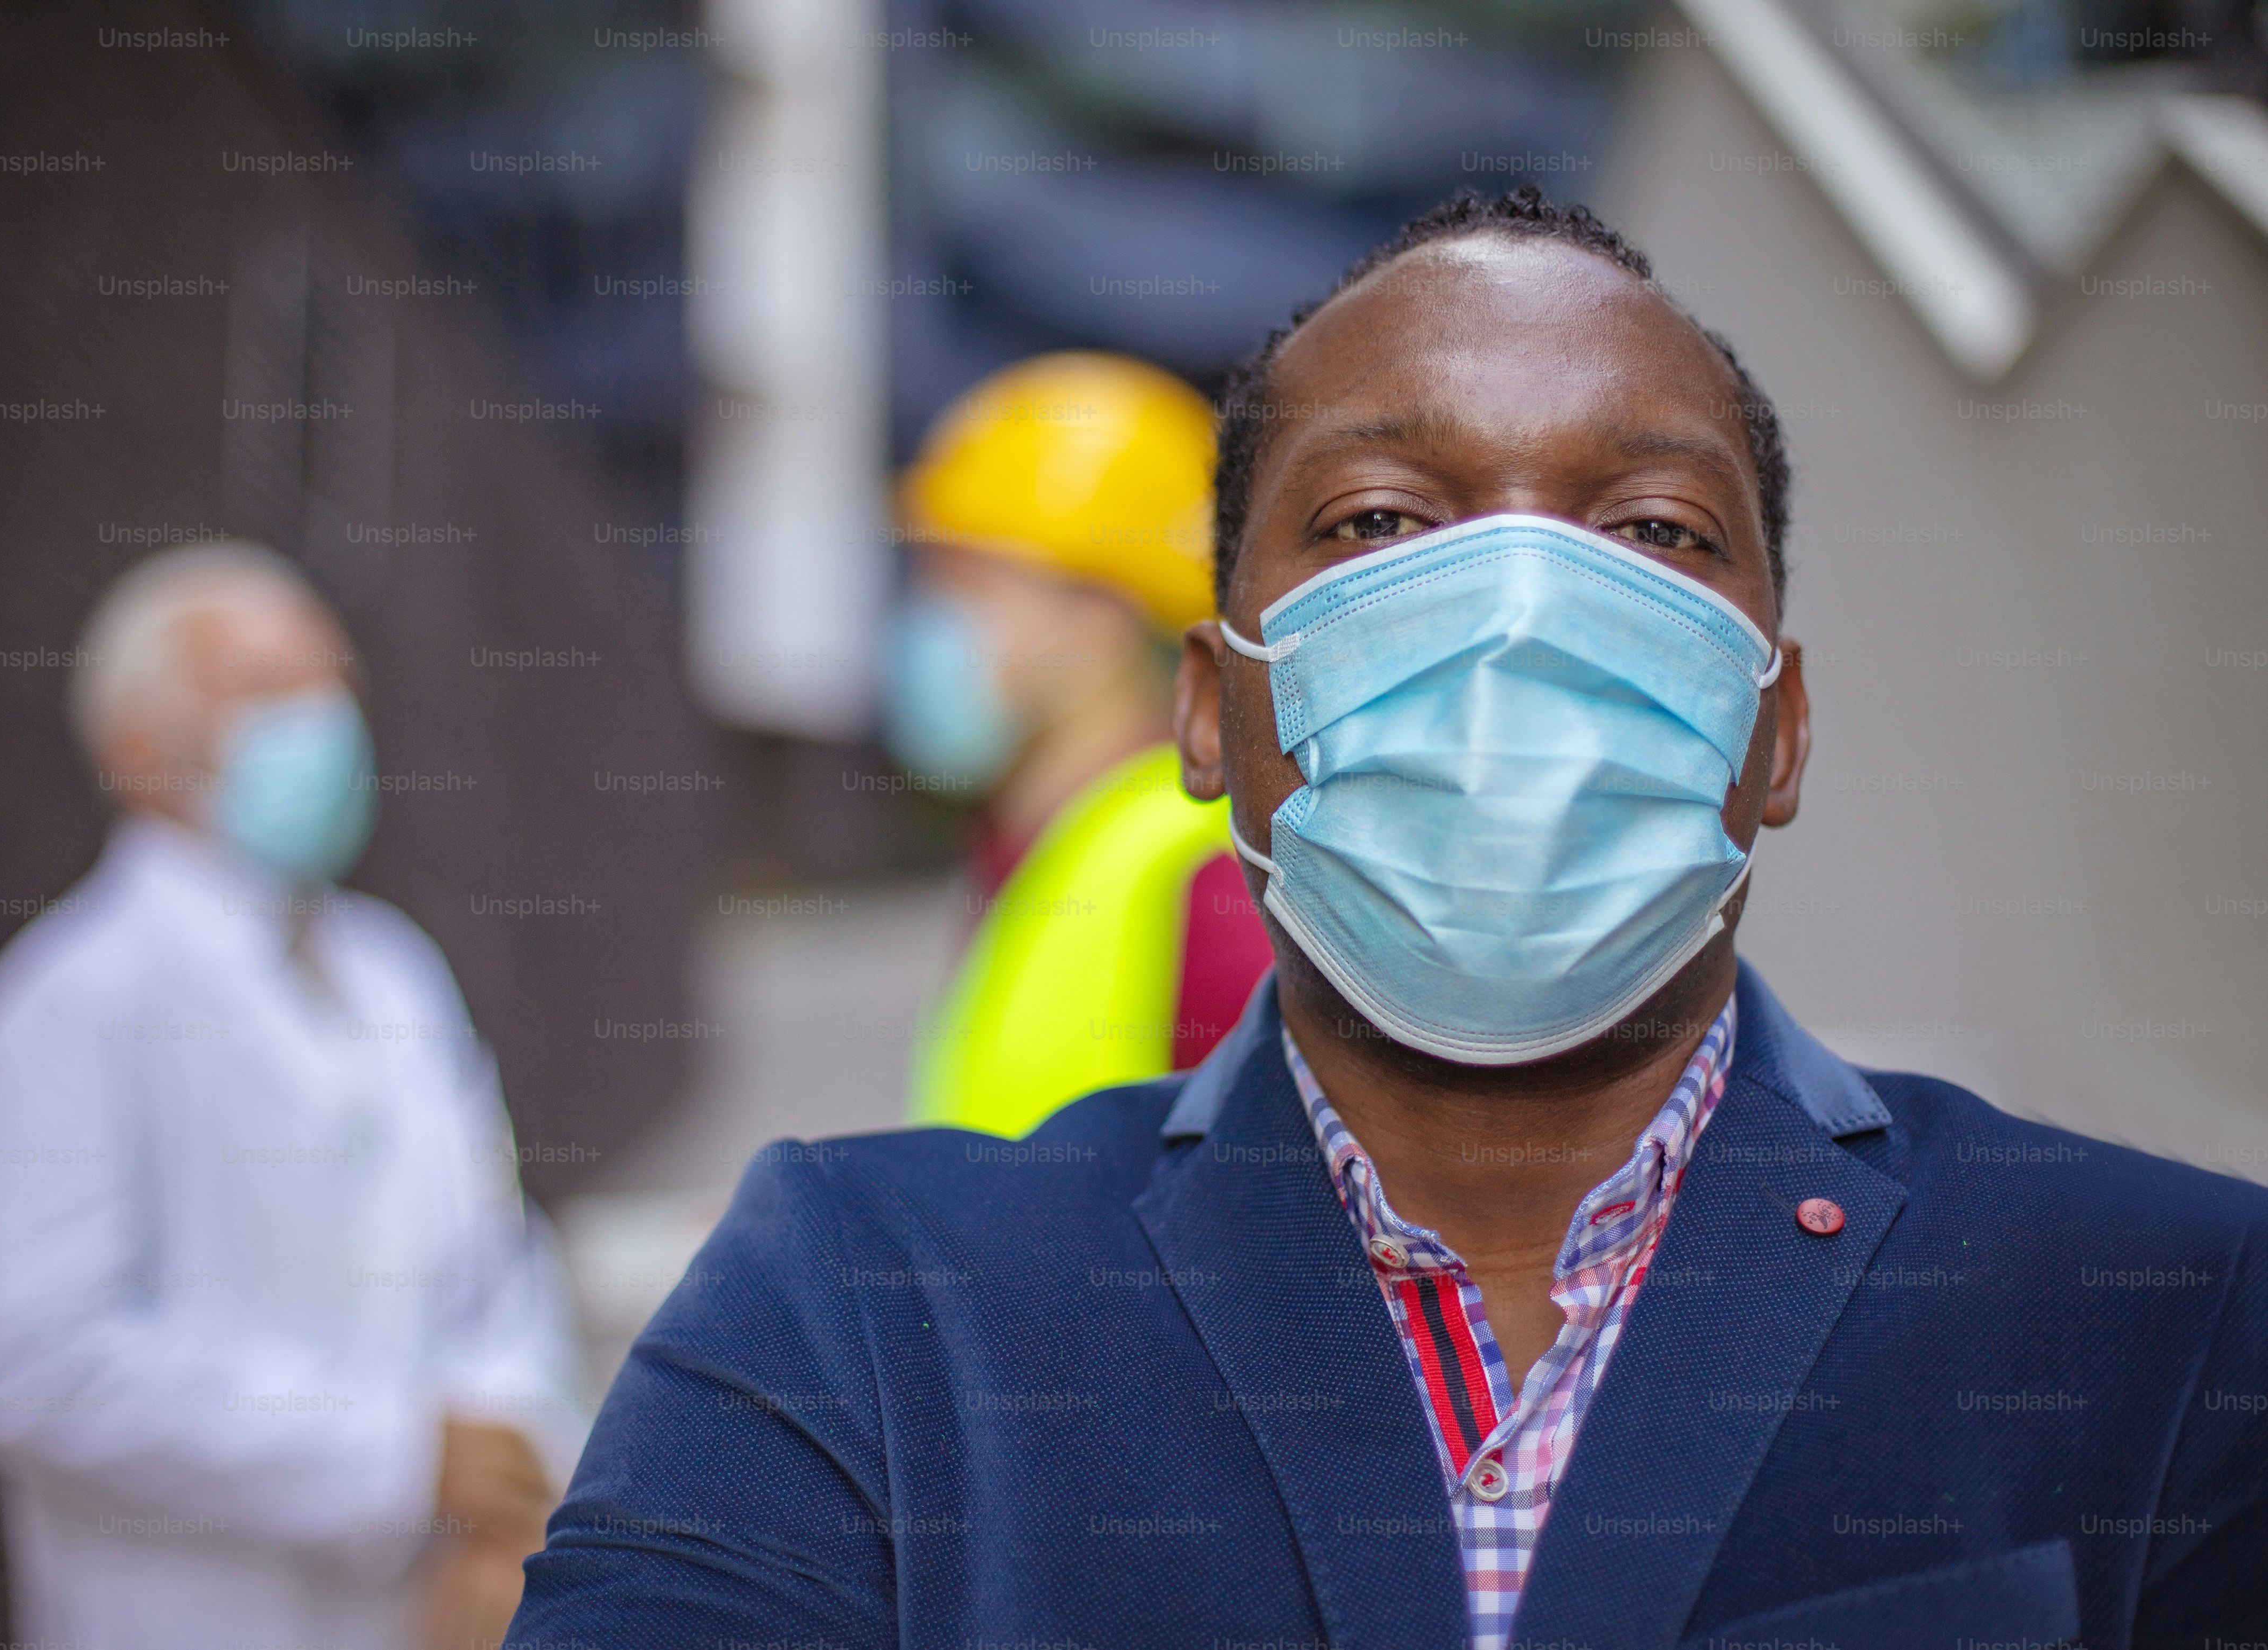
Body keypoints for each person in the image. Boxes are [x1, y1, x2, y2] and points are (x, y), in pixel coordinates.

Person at [508, 189, 2268, 1646]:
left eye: (1652, 530)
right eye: (1374, 520)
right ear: (1213, 705)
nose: (1515, 610)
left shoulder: (2181, 1322)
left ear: (1775, 725)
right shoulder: (850, 1314)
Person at [0, 543, 585, 1650]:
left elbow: (498, 1264)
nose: (322, 720)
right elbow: (17, 1357)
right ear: (138, 748)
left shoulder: (395, 967)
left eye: (335, 683)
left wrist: (506, 1509)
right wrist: (397, 1457)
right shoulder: (70, 997)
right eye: (267, 690)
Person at [882, 351, 1272, 1136]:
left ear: (1102, 620)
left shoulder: (1208, 883)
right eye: (929, 579)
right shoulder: (1031, 845)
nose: (932, 619)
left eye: (972, 587)